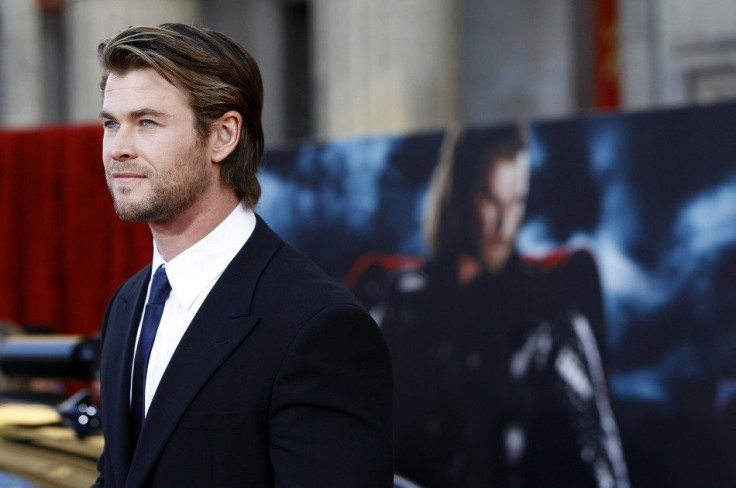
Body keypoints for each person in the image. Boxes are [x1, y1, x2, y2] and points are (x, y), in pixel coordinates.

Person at [93, 23, 392, 487]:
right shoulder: (127, 304)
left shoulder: (317, 326)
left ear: (223, 136)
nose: (119, 148)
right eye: (111, 123)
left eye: (146, 122)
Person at [378, 126, 629, 487]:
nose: (505, 223)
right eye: (492, 200)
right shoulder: (404, 304)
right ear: (461, 195)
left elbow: (604, 469)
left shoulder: (549, 321)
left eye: (517, 202)